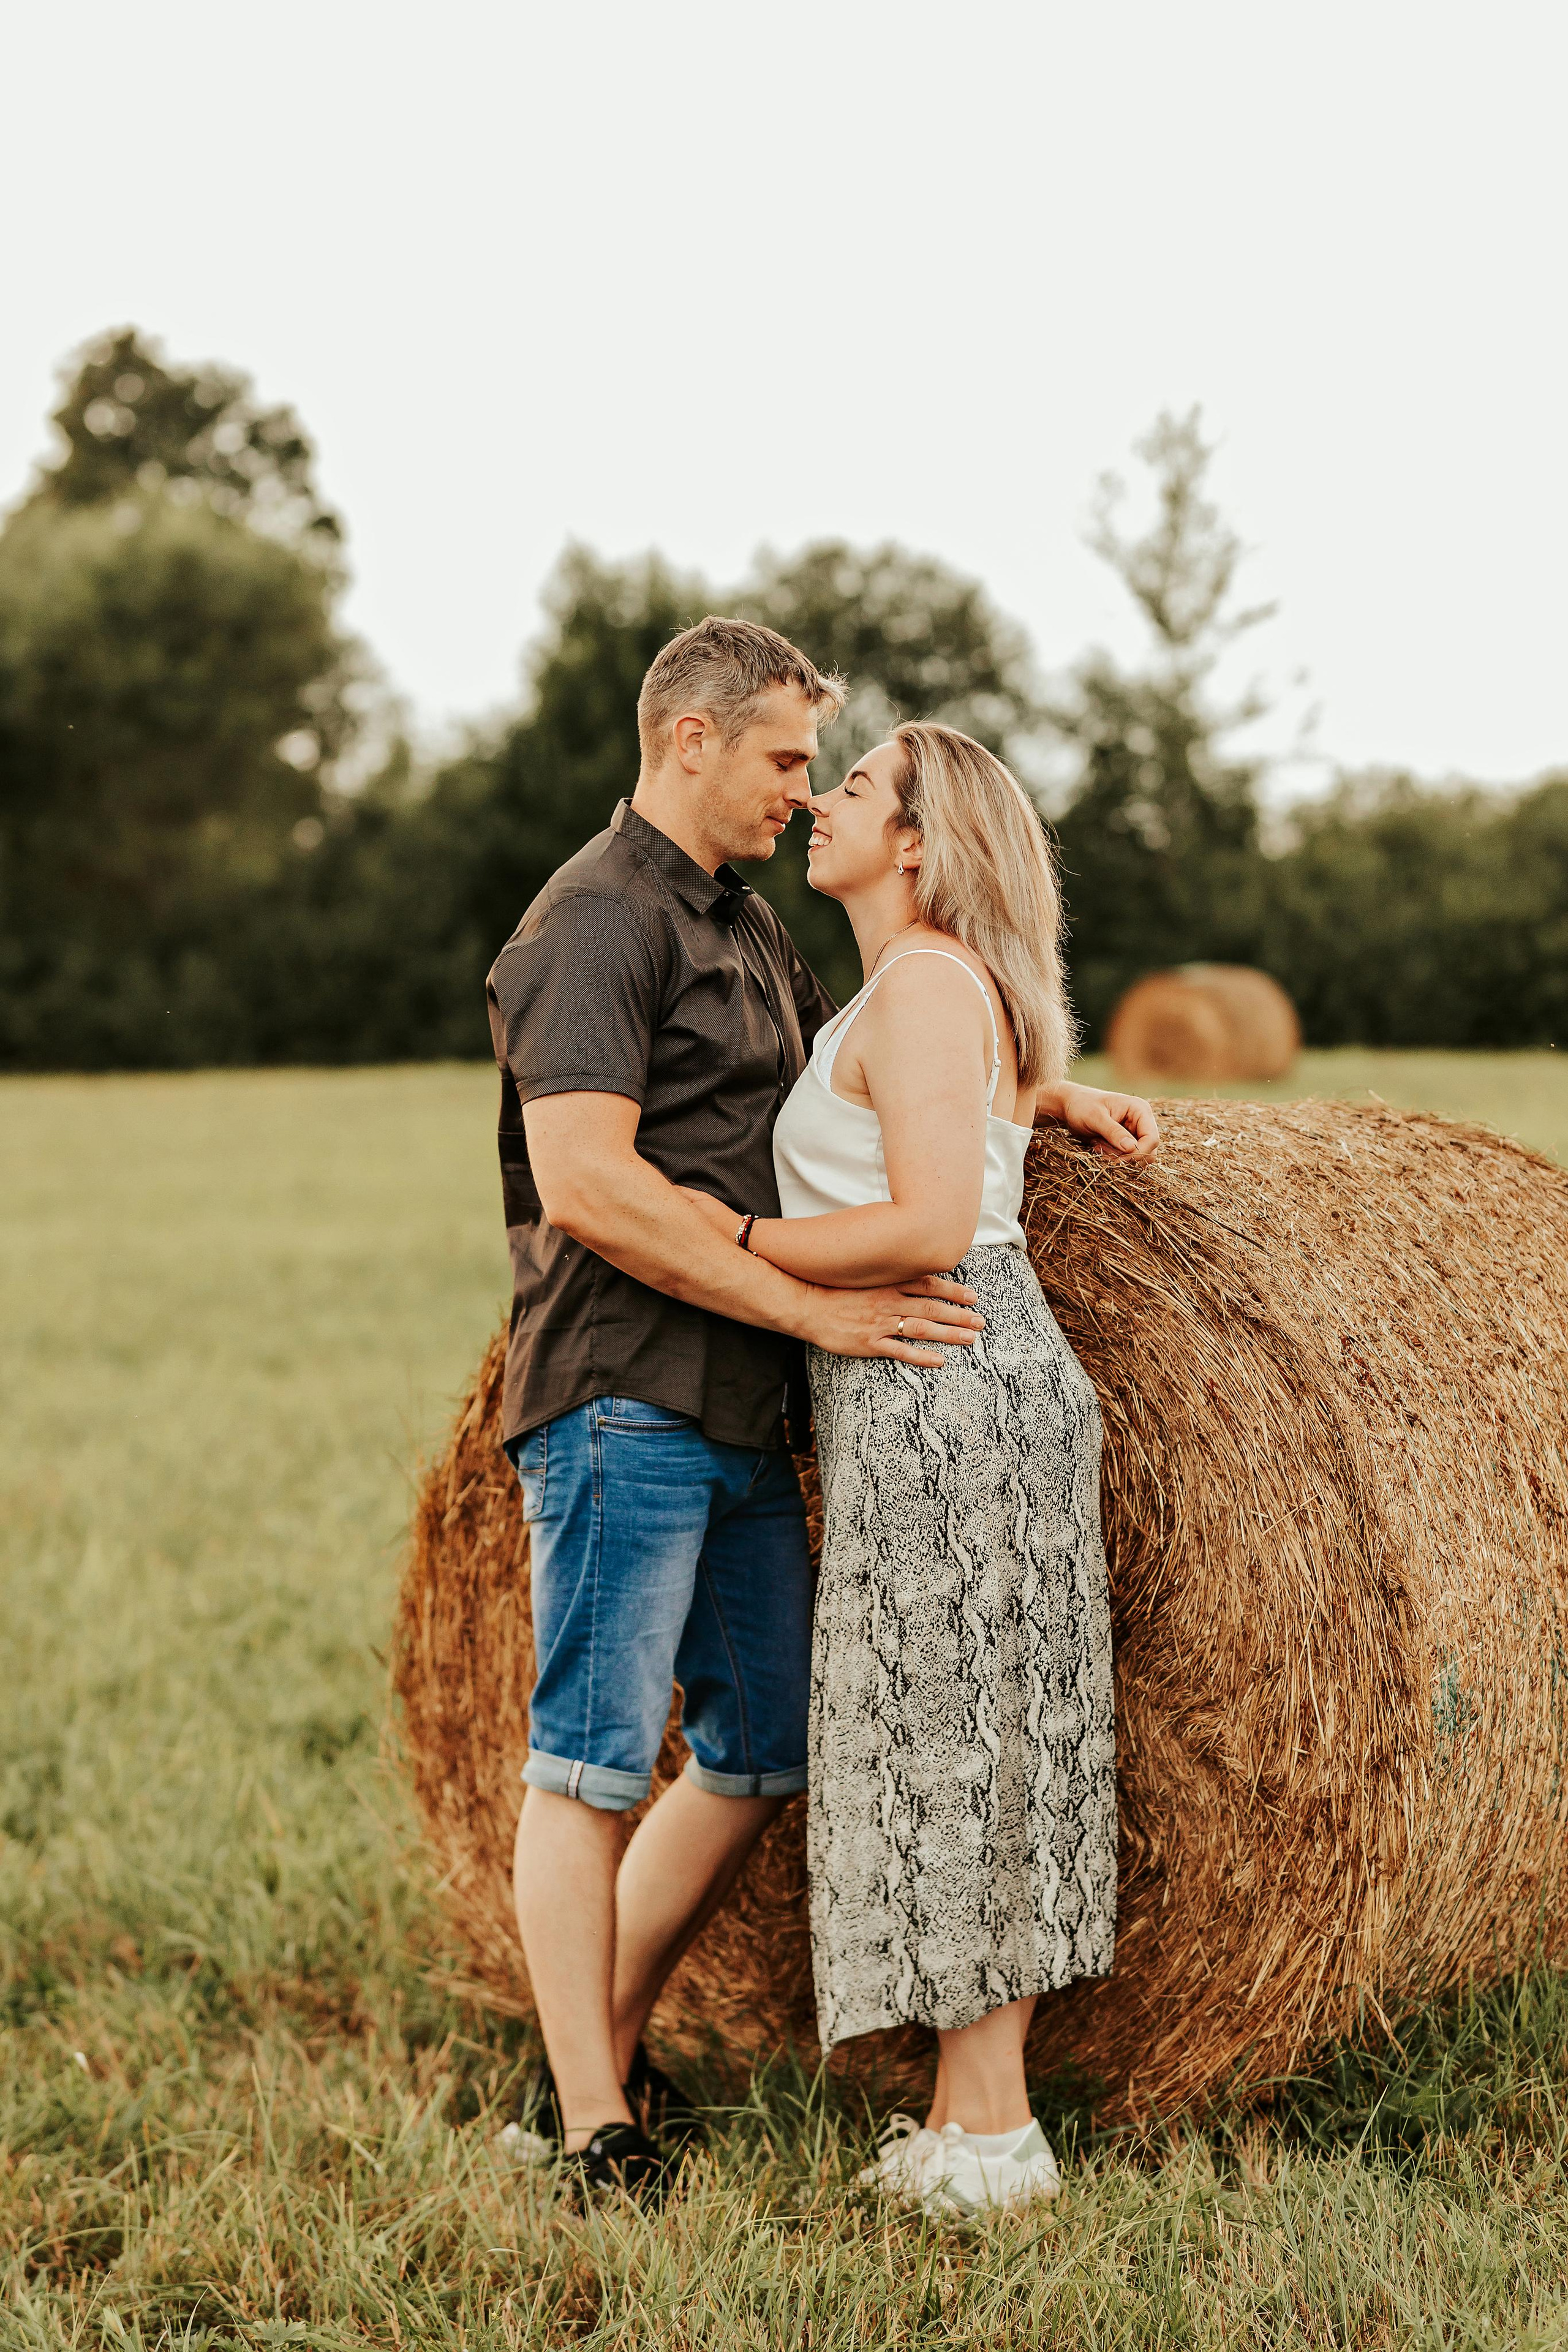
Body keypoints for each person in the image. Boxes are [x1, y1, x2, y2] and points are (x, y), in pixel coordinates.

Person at [486, 619, 1157, 2199]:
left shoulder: (749, 930)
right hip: (624, 1392)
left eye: (825, 770)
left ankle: (593, 2054)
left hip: (750, 1401)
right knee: (589, 1761)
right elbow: (586, 1184)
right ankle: (589, 2125)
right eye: (788, 760)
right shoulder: (592, 921)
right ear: (692, 739)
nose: (802, 791)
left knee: (763, 1751)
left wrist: (1034, 1098)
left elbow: (875, 1080)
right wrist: (800, 1302)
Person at [685, 721, 1155, 2216]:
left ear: (915, 843)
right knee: (962, 1741)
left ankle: (995, 2137)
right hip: (935, 1389)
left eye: (855, 786)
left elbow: (934, 1222)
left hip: (948, 1384)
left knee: (959, 1745)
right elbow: (948, 1140)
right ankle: (970, 2123)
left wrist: (732, 1239)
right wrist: (1054, 1102)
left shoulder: (928, 984)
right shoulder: (915, 989)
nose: (818, 801)